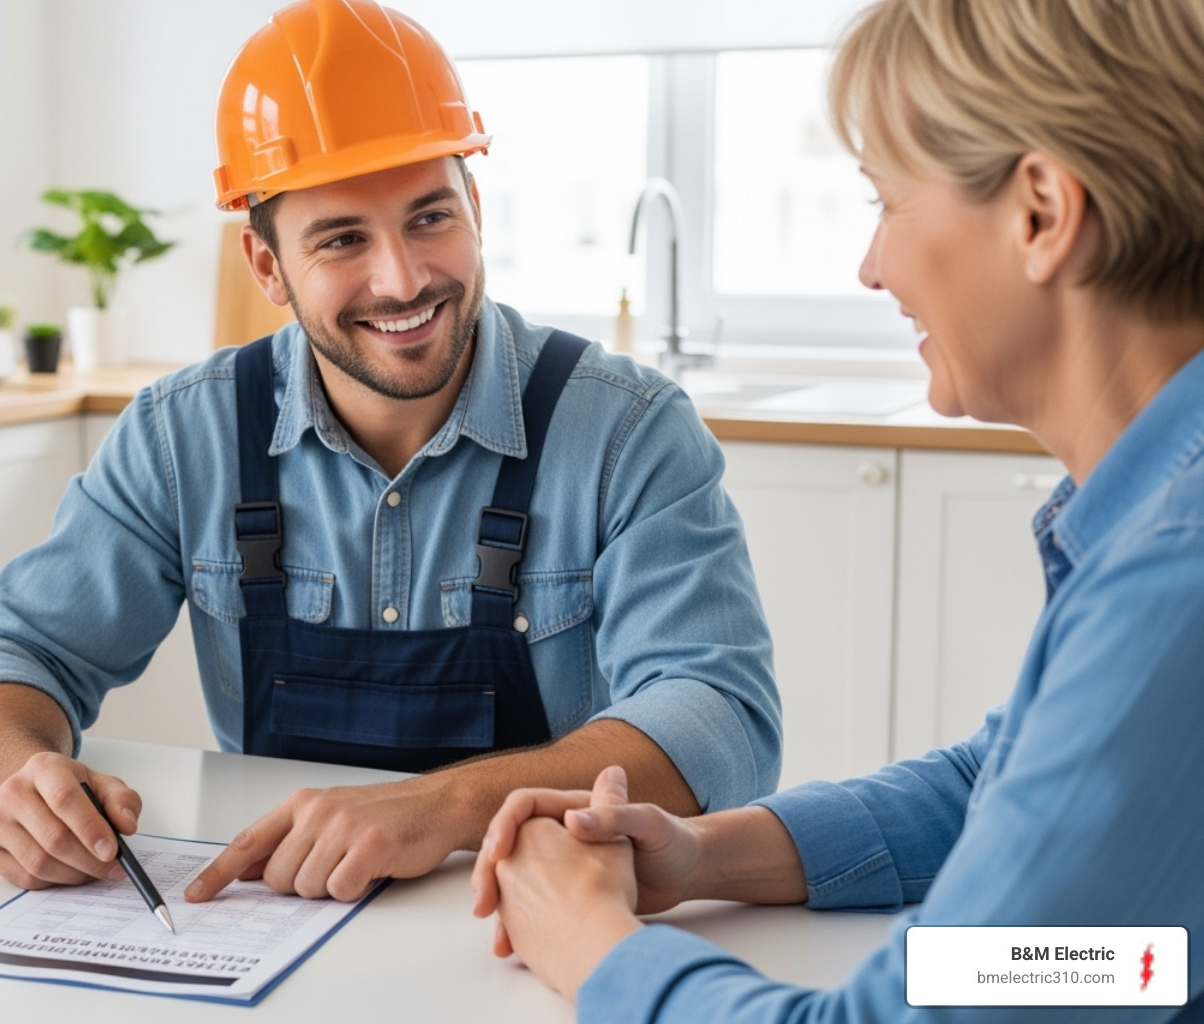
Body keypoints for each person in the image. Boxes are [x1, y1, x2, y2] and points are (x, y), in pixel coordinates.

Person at [0, 0, 780, 906]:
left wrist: (436, 807)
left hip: (538, 927)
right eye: (342, 239)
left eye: (429, 218)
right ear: (267, 267)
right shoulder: (185, 435)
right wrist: (18, 777)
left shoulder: (627, 432)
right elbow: (9, 658)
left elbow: (721, 719)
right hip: (276, 930)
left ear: (476, 208)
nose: (403, 279)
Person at [471, 0, 1204, 1018]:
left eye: (888, 202)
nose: (872, 267)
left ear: (1040, 211)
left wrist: (594, 947)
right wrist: (700, 854)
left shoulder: (1177, 574)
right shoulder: (1157, 511)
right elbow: (1052, 863)